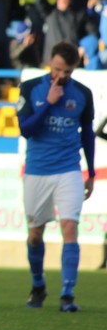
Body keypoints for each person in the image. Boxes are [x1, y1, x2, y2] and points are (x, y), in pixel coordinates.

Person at [16, 41, 95, 312]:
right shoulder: (30, 88)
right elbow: (26, 130)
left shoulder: (82, 94)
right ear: (50, 60)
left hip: (69, 169)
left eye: (67, 72)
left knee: (70, 227)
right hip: (37, 170)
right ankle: (38, 285)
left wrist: (91, 172)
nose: (61, 76)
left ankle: (67, 295)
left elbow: (87, 135)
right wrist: (48, 105)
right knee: (35, 235)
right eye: (58, 69)